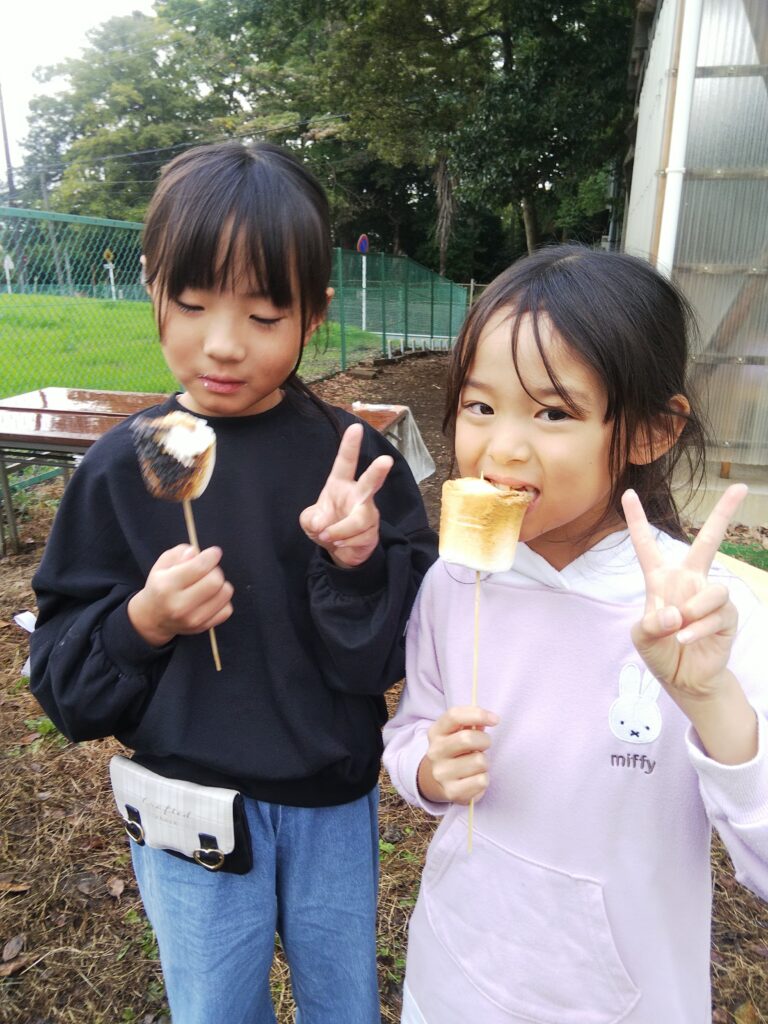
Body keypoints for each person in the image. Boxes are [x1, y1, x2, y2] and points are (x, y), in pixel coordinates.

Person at [30, 140, 437, 1024]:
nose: (222, 344)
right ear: (152, 288)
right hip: (190, 813)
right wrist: (142, 621)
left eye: (263, 314)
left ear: (313, 314)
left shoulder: (354, 462)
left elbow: (394, 660)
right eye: (192, 303)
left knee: (344, 1005)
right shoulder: (118, 470)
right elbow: (63, 687)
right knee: (215, 1007)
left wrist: (360, 563)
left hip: (331, 804)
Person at [382, 244, 768, 1024]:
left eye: (553, 413)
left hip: (625, 1002)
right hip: (452, 980)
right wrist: (428, 768)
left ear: (650, 432)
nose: (501, 447)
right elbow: (410, 729)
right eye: (480, 406)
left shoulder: (705, 618)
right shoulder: (454, 582)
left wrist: (711, 701)